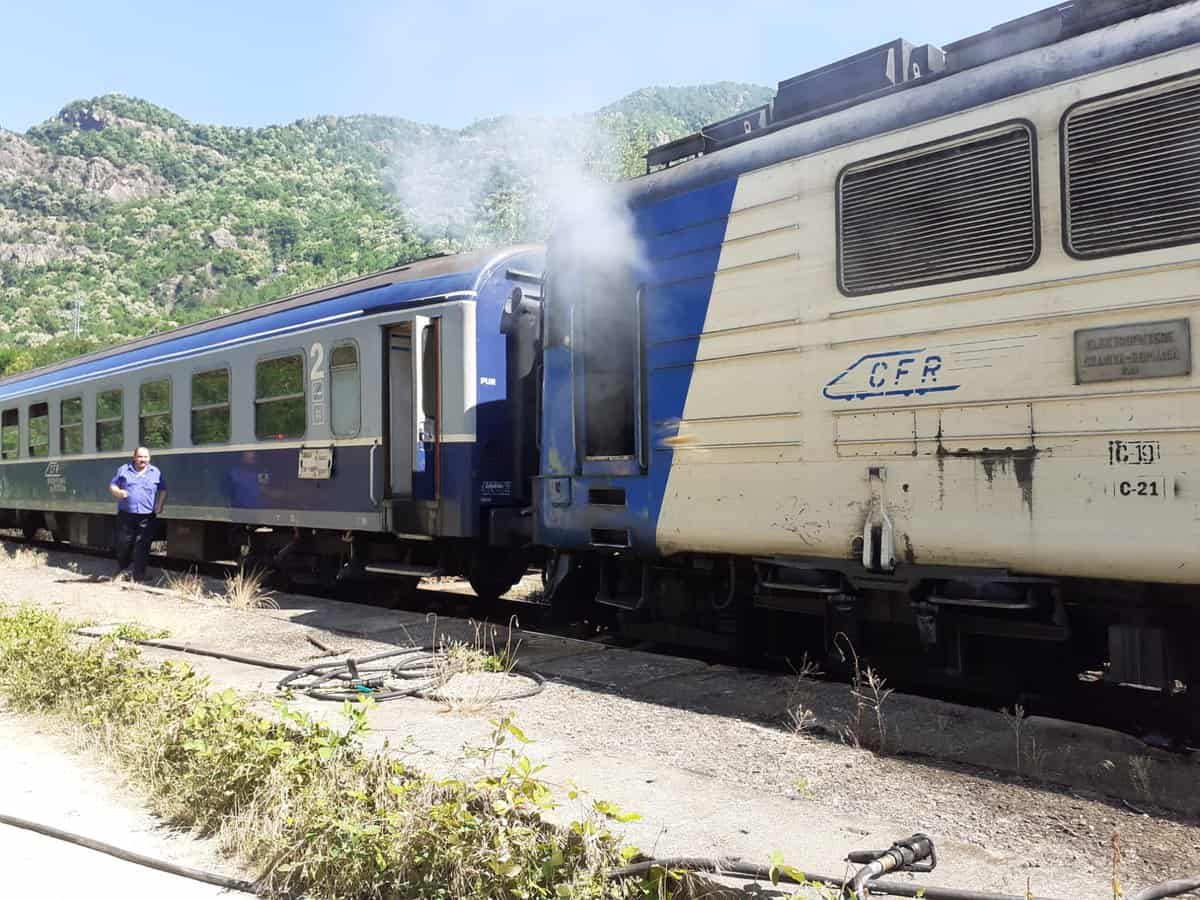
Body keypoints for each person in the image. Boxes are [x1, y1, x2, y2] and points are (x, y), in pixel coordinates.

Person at [109, 447, 167, 582]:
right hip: (126, 515)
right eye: (140, 457)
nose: (143, 460)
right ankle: (122, 569)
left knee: (143, 545)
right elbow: (112, 486)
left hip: (147, 515)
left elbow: (163, 490)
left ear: (149, 458)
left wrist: (160, 504)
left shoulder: (155, 472)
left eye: (146, 457)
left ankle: (139, 574)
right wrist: (118, 492)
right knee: (124, 543)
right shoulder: (124, 470)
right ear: (134, 457)